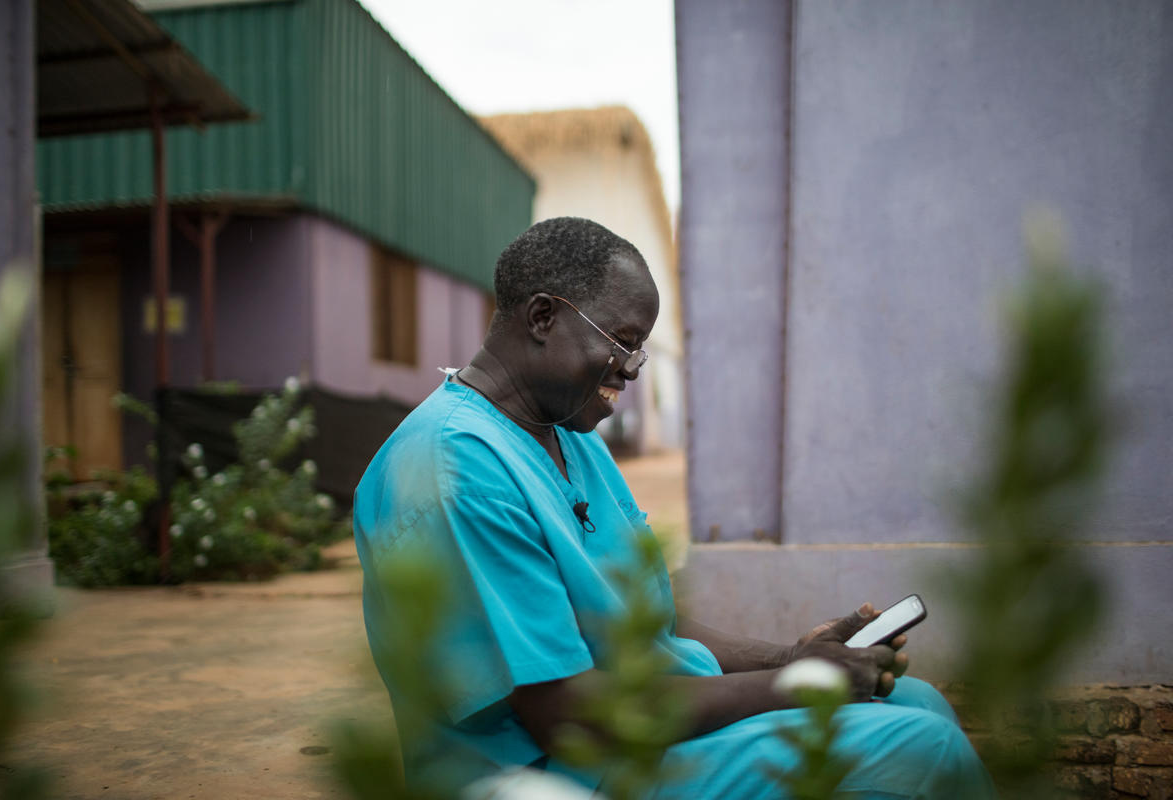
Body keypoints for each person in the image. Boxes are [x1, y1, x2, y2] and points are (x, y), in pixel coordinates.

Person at [353, 217, 995, 798]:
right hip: (560, 774)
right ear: (543, 317)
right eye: (621, 341)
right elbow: (567, 718)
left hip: (647, 727)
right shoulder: (456, 470)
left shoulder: (569, 434)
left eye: (640, 349)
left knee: (919, 702)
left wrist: (788, 657)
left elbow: (648, 624)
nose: (632, 369)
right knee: (924, 750)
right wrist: (798, 685)